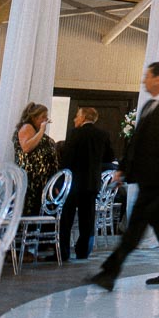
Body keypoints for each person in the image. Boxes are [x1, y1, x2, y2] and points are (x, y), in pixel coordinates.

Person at [89, 62, 159, 290]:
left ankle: (110, 272)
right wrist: (123, 168)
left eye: (147, 76)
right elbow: (137, 141)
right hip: (146, 175)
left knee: (135, 227)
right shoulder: (148, 106)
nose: (144, 81)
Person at [59, 107, 113, 260]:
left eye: (77, 116)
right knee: (87, 218)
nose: (75, 119)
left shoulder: (74, 133)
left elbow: (67, 159)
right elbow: (109, 157)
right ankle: (83, 251)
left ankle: (63, 252)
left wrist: (61, 183)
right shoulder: (103, 135)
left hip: (74, 182)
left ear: (83, 118)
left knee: (67, 218)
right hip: (92, 182)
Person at [13, 103, 59, 216]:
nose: (46, 119)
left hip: (42, 181)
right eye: (43, 117)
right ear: (34, 117)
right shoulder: (27, 127)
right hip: (32, 180)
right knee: (32, 210)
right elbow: (27, 147)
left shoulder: (36, 131)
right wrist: (42, 130)